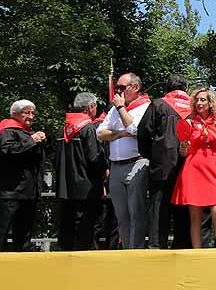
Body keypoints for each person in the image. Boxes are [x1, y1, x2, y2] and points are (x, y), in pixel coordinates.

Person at [137, 74, 193, 248]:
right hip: (189, 166)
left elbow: (143, 132)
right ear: (186, 89)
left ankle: (156, 247)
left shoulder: (158, 104)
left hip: (162, 165)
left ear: (167, 88)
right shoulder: (196, 106)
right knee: (184, 210)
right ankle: (182, 248)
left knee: (159, 209)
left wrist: (151, 154)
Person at [97, 72, 151, 248]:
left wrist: (121, 109)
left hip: (136, 162)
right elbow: (100, 133)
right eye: (117, 87)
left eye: (122, 88)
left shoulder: (145, 107)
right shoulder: (114, 108)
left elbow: (135, 129)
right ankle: (127, 250)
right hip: (116, 166)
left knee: (136, 213)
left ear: (136, 88)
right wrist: (120, 133)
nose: (118, 92)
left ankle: (136, 251)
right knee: (121, 214)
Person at [173, 88, 216, 248]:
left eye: (203, 99)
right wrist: (183, 147)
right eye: (196, 100)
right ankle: (197, 253)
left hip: (213, 170)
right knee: (195, 217)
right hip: (193, 170)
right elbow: (183, 153)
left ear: (211, 103)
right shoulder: (189, 123)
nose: (199, 103)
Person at [54, 92, 107, 251]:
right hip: (87, 187)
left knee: (66, 227)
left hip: (64, 187)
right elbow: (94, 158)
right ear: (91, 107)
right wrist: (104, 170)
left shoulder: (62, 128)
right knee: (86, 228)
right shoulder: (89, 129)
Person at [0, 100, 47, 251]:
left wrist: (43, 143)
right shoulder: (7, 130)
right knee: (3, 230)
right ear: (15, 114)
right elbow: (8, 151)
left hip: (28, 191)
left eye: (33, 113)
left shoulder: (29, 133)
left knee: (24, 234)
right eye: (27, 112)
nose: (31, 116)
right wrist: (31, 141)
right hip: (10, 191)